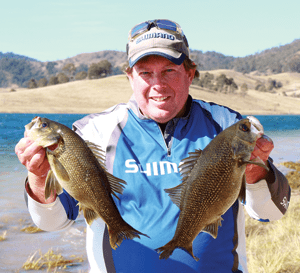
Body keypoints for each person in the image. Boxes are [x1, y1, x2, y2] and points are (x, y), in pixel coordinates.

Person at [15, 19, 290, 273]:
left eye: (169, 70)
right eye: (146, 73)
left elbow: (271, 212)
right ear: (130, 78)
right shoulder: (92, 132)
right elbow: (52, 222)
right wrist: (39, 178)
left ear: (190, 74)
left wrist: (256, 173)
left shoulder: (227, 125)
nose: (157, 85)